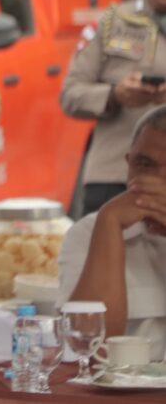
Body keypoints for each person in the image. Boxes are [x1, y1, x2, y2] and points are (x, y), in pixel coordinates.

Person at [61, 0, 166, 216]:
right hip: (112, 178)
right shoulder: (111, 23)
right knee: (102, 260)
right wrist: (115, 95)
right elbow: (70, 94)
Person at [58, 103, 166, 362]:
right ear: (128, 164)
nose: (157, 180)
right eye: (145, 164)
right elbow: (88, 355)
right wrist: (110, 224)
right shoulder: (89, 233)